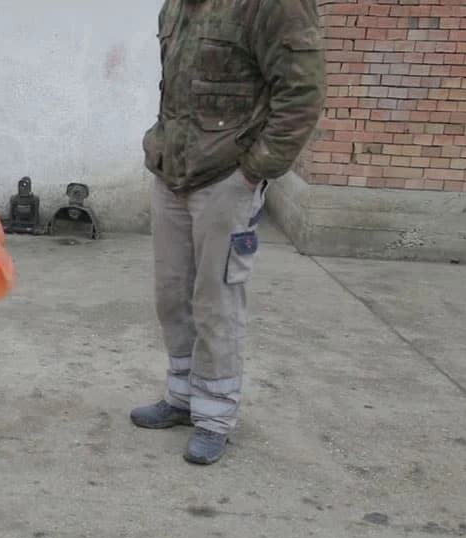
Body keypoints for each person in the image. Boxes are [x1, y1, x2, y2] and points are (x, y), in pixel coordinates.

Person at [132, 0, 325, 464]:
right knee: (172, 295)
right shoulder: (177, 5)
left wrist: (254, 172)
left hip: (225, 179)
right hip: (171, 173)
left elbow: (302, 96)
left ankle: (215, 416)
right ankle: (181, 397)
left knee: (217, 300)